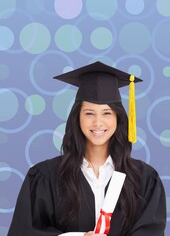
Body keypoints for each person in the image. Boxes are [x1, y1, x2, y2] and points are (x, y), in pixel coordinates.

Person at [7, 61, 166, 236]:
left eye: (107, 113)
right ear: (77, 118)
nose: (98, 123)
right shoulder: (45, 176)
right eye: (89, 113)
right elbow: (23, 232)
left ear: (118, 119)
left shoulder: (144, 179)